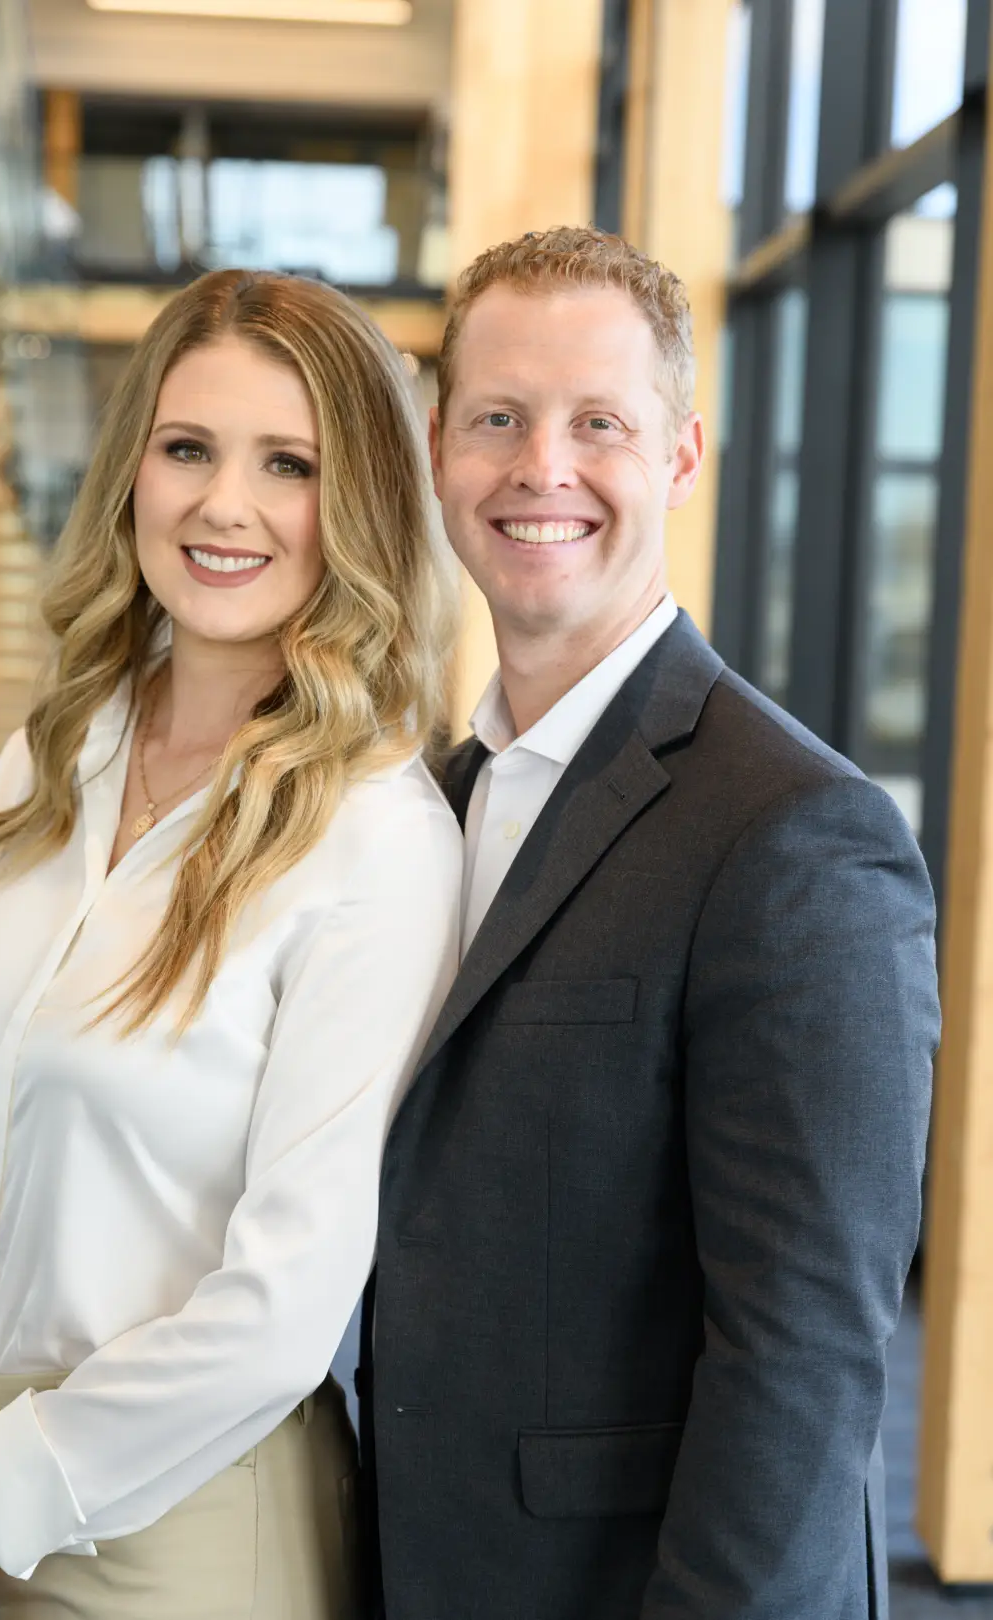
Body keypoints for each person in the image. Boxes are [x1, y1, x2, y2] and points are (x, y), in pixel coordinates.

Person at [360, 227, 939, 1620]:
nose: (540, 468)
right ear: (442, 451)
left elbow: (802, 1355)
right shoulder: (426, 803)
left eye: (598, 425)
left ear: (681, 459)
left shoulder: (795, 831)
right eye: (498, 419)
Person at [0, 267, 462, 1620]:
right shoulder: (55, 757)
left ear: (360, 509)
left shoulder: (377, 839)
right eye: (188, 449)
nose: (225, 505)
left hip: (180, 1535)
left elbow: (280, 1311)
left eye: (290, 464)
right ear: (133, 474)